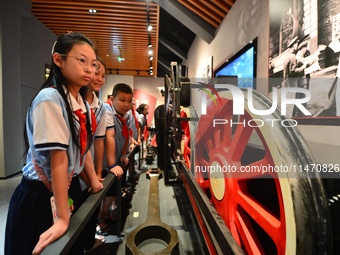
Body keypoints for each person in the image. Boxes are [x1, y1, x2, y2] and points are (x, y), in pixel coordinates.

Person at [5, 32, 103, 255]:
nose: (90, 69)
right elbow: (58, 159)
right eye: (81, 61)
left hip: (68, 189)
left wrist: (94, 182)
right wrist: (61, 217)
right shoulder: (49, 99)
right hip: (40, 195)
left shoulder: (82, 104)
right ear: (58, 60)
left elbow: (82, 150)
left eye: (93, 64)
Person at [79, 57, 109, 249]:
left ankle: (89, 241)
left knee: (89, 209)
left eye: (102, 75)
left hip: (87, 167)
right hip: (76, 169)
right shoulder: (74, 102)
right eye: (95, 72)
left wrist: (97, 174)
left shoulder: (100, 107)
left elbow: (99, 142)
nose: (98, 78)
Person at [97, 83, 132, 235]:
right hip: (104, 164)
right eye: (122, 100)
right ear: (112, 99)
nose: (126, 104)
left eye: (129, 101)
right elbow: (108, 137)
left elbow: (126, 136)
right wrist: (111, 164)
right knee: (105, 193)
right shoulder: (106, 111)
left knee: (112, 192)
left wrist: (123, 155)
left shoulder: (126, 116)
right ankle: (101, 219)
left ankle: (107, 213)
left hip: (115, 161)